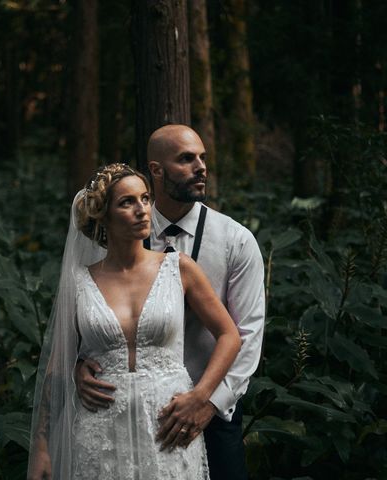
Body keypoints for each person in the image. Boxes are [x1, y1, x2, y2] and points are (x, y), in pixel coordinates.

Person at [27, 163, 241, 479]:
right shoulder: (80, 281)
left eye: (144, 199)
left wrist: (201, 395)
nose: (142, 210)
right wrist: (42, 448)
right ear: (104, 215)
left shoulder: (178, 268)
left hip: (167, 427)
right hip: (100, 432)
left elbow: (229, 335)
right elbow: (58, 365)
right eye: (127, 202)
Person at [76, 126, 265, 479]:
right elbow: (94, 311)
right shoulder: (119, 230)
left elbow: (247, 336)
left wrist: (207, 403)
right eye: (186, 159)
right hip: (130, 412)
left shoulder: (235, 241)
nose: (201, 167)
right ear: (157, 170)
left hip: (216, 407)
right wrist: (80, 364)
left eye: (203, 158)